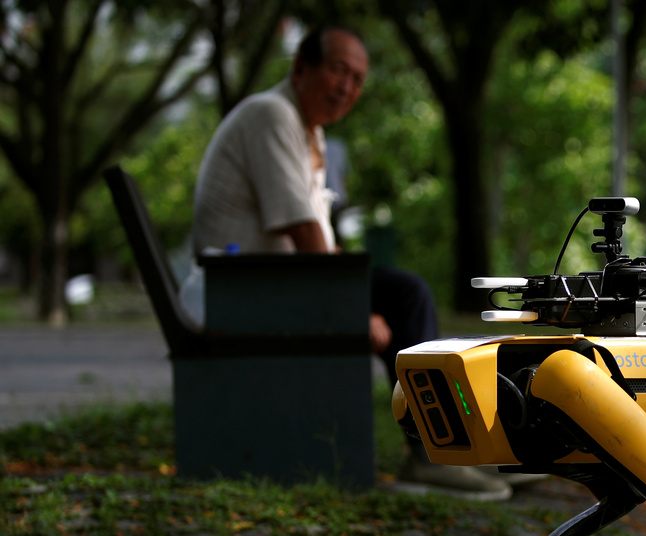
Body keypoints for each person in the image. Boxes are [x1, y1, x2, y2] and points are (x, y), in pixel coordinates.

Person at [191, 24, 511, 500]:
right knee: (404, 296)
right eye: (338, 70)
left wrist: (351, 290)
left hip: (275, 284)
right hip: (243, 292)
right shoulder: (271, 115)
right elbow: (303, 231)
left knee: (402, 292)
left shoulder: (308, 133)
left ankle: (463, 449)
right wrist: (351, 309)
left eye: (357, 79)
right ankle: (435, 454)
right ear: (301, 68)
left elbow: (320, 240)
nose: (346, 87)